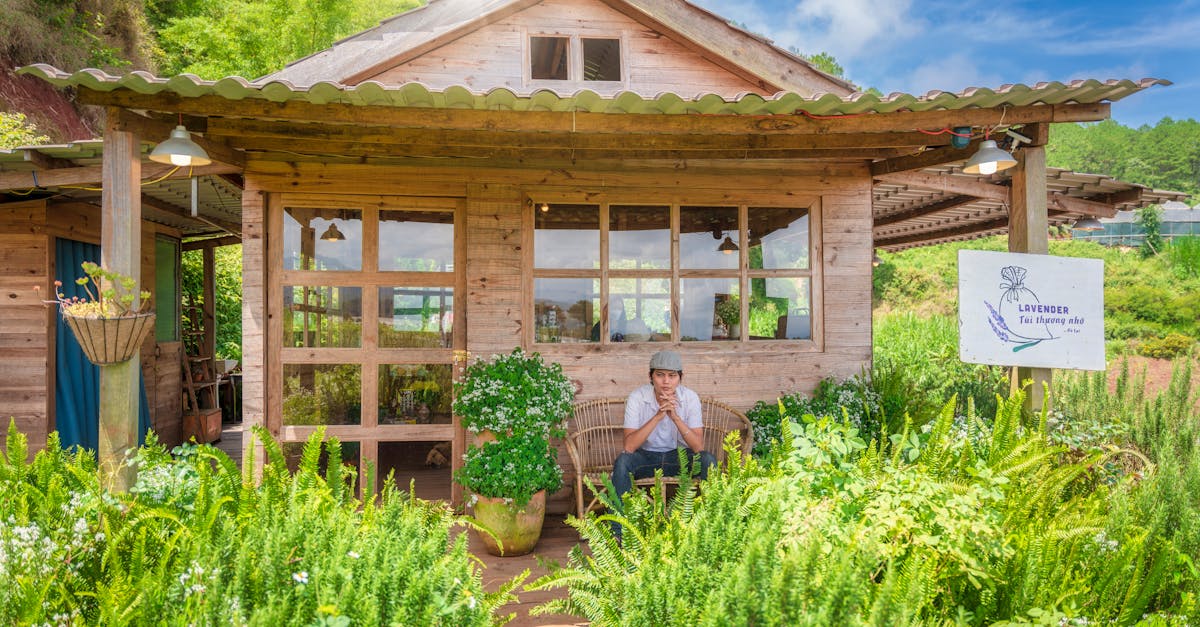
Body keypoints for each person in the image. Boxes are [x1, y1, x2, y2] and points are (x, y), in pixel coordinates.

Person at [612, 350, 717, 506]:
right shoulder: (637, 397)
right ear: (651, 377)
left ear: (680, 378)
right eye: (660, 375)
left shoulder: (690, 398)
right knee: (622, 461)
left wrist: (674, 417)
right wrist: (658, 416)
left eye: (672, 375)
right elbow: (629, 446)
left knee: (708, 459)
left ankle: (713, 519)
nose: (666, 381)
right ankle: (618, 529)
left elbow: (698, 446)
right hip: (646, 458)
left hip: (679, 459)